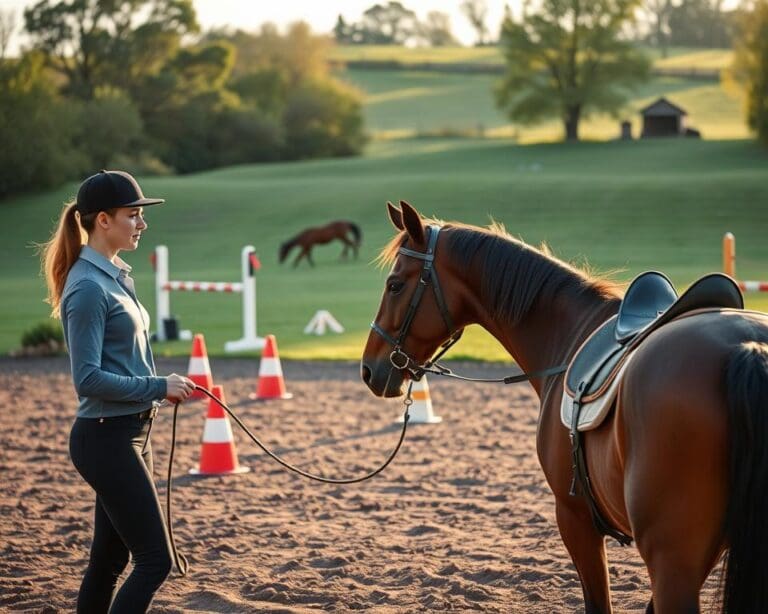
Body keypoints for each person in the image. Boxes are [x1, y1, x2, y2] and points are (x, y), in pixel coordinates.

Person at [40, 170, 196, 613]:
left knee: (110, 560)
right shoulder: (88, 286)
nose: (142, 224)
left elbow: (117, 362)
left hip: (129, 433)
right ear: (103, 220)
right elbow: (86, 379)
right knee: (155, 561)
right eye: (134, 215)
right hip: (106, 438)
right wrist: (157, 386)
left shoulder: (110, 277)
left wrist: (158, 385)